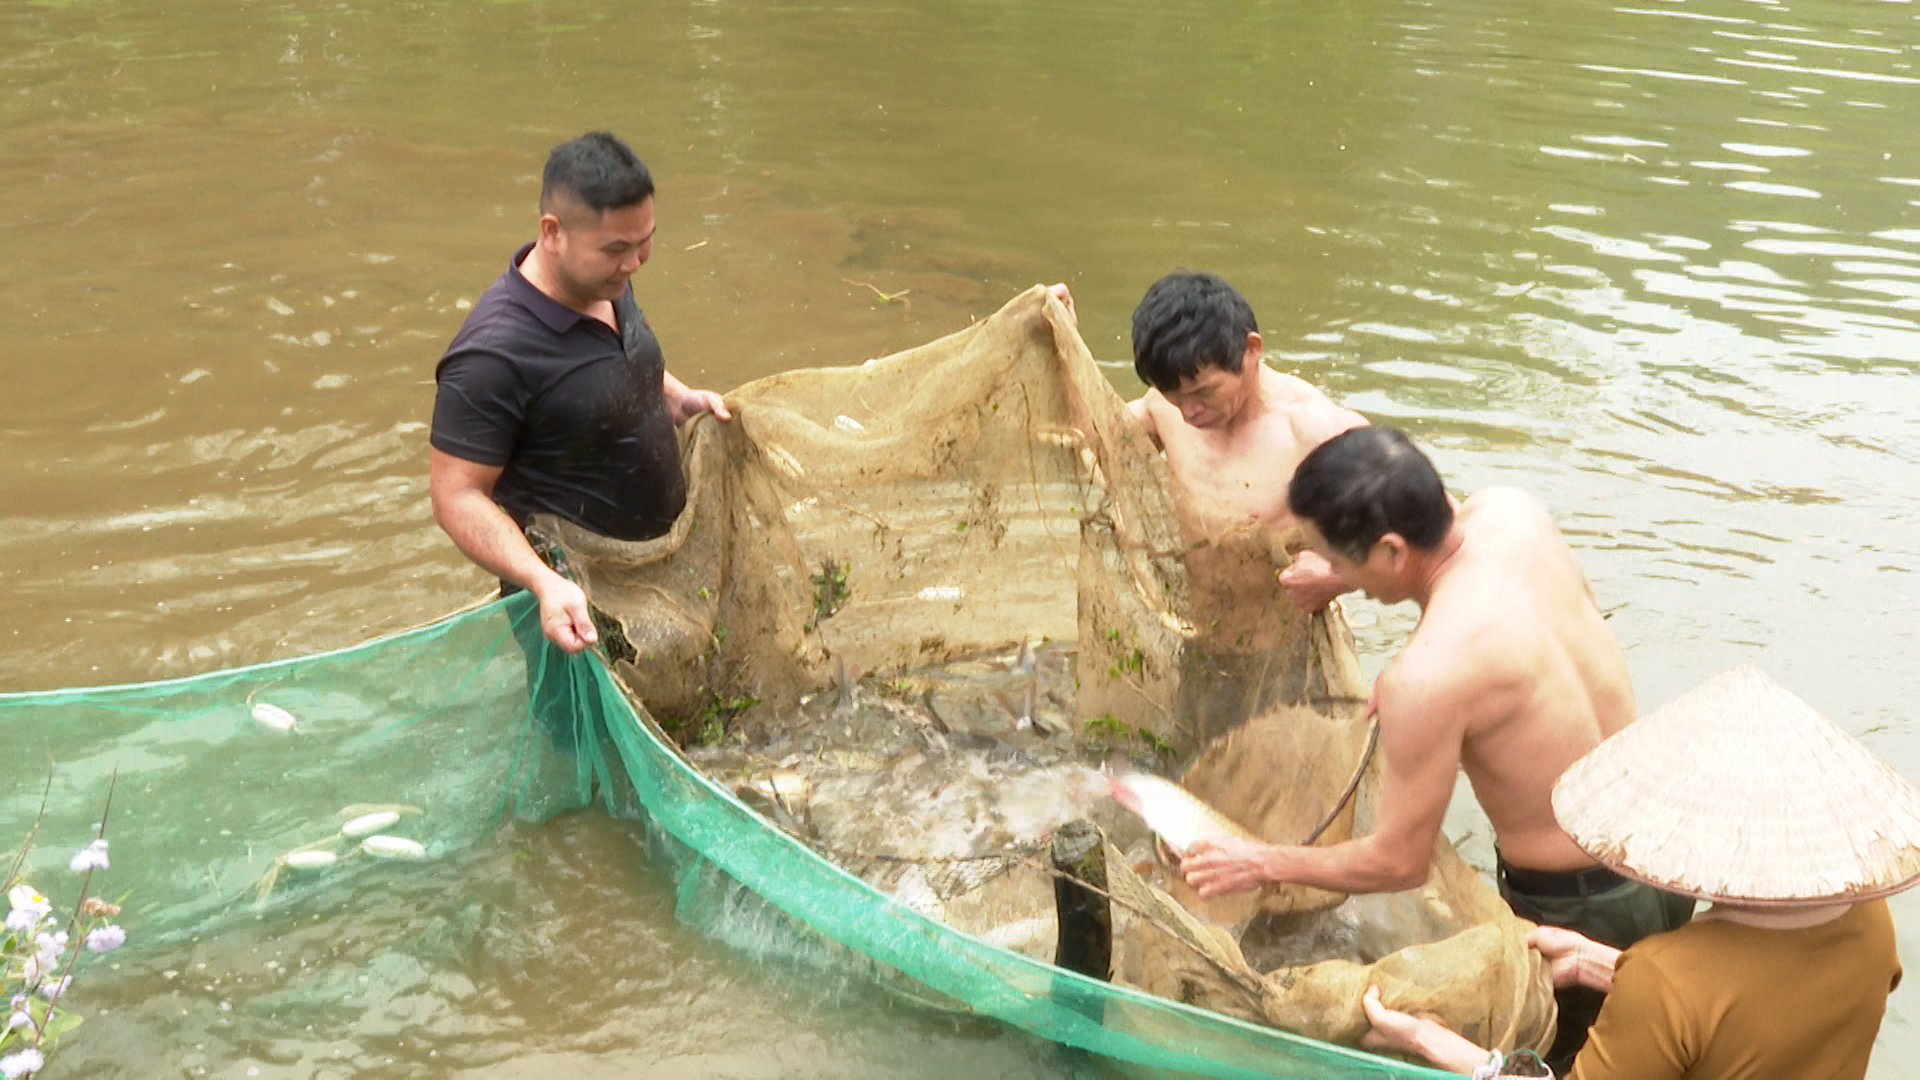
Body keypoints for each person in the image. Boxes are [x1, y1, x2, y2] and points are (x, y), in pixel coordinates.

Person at [1178, 426, 1693, 1067]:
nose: (1335, 575)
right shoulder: (1513, 513)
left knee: (1569, 1070)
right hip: (1670, 857)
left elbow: (1400, 864)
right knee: (1675, 1047)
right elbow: (1480, 615)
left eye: (1338, 562)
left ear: (1391, 550)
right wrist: (1392, 629)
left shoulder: (1429, 677)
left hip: (1582, 910)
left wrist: (1260, 862)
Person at [1360, 665, 1911, 1079]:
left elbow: (1698, 998)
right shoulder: (1870, 918)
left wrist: (1435, 1042)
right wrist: (1598, 961)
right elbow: (1761, 1003)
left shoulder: (1664, 979)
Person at [429, 131, 731, 654]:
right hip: (576, 608)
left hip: (662, 579)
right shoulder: (491, 356)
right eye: (617, 249)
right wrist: (543, 581)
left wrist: (678, 399)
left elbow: (613, 366)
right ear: (553, 232)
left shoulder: (606, 279)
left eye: (645, 241)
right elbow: (456, 497)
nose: (634, 262)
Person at [1123, 272, 1367, 735]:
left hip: (1290, 667)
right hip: (1200, 650)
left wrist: (1337, 576)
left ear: (1251, 350)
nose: (1189, 413)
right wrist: (1051, 334)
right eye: (1176, 397)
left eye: (1203, 393)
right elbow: (1085, 435)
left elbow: (1426, 534)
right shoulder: (1164, 408)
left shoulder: (1314, 431)